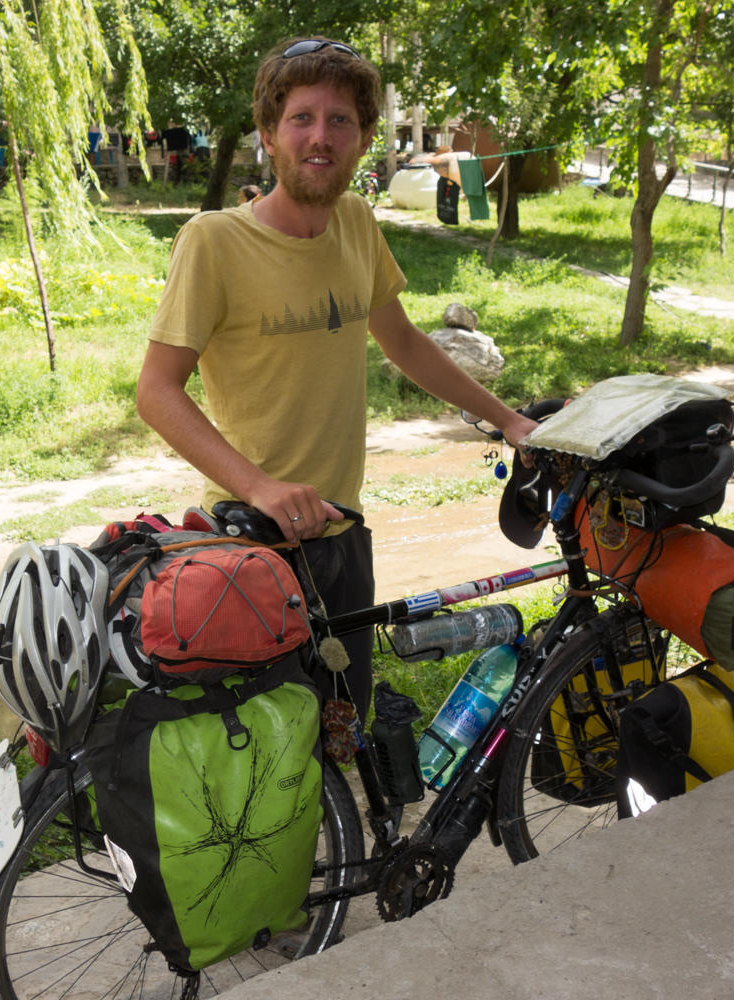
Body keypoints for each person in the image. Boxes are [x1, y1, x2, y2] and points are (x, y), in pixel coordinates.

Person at [136, 37, 537, 721]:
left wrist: (509, 420)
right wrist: (260, 487)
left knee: (345, 727)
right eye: (301, 118)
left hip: (342, 533)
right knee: (264, 748)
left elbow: (402, 339)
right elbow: (156, 390)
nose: (320, 137)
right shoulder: (214, 241)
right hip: (250, 541)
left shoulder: (355, 220)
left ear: (363, 140)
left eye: (339, 120)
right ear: (269, 135)